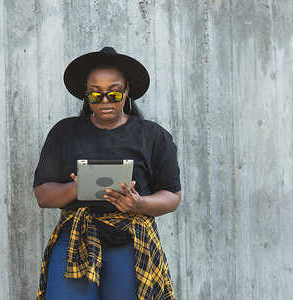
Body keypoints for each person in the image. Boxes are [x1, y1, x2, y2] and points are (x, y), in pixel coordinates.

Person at [34, 47, 182, 300]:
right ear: (86, 95)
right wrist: (77, 188)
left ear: (127, 92)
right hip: (76, 238)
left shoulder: (154, 136)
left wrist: (140, 203)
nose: (105, 101)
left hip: (131, 241)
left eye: (114, 93)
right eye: (95, 95)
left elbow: (172, 196)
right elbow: (43, 195)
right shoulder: (64, 132)